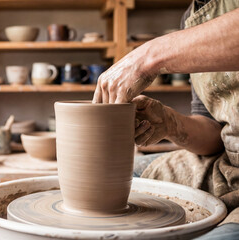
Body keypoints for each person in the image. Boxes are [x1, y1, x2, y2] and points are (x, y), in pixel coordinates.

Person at [93, 1, 239, 239]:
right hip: (229, 166)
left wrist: (147, 58)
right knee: (109, 179)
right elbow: (214, 134)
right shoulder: (193, 16)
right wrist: (170, 123)